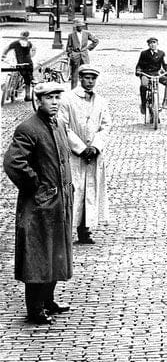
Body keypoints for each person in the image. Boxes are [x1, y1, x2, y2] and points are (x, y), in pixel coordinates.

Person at [3, 82, 74, 324]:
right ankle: (35, 309)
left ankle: (48, 300)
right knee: (38, 256)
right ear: (38, 100)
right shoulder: (28, 128)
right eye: (49, 98)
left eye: (57, 97)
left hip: (59, 203)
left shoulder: (58, 124)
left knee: (56, 252)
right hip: (39, 206)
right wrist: (36, 187)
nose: (54, 102)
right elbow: (14, 163)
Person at [58, 66, 112, 245]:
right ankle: (68, 229)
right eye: (87, 78)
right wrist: (81, 148)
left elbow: (106, 125)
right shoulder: (67, 99)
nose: (90, 82)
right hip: (75, 154)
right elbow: (63, 126)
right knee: (75, 190)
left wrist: (96, 146)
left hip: (94, 154)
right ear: (80, 78)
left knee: (91, 190)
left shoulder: (101, 101)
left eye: (93, 79)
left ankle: (85, 230)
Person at [134, 36, 167, 113]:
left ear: (157, 43)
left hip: (157, 74)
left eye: (154, 42)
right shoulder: (144, 53)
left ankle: (165, 102)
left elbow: (165, 64)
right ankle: (143, 104)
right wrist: (138, 71)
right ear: (148, 45)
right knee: (143, 85)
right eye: (150, 43)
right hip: (146, 74)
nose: (152, 44)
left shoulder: (161, 53)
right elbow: (139, 64)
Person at [3, 30, 36, 102]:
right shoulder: (29, 44)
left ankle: (10, 87)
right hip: (28, 64)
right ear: (27, 37)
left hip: (19, 64)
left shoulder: (15, 43)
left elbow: (6, 48)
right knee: (28, 80)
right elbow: (32, 51)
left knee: (16, 72)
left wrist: (3, 56)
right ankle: (27, 95)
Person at [65, 20, 99, 89]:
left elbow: (96, 41)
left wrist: (88, 48)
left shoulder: (86, 33)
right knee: (74, 74)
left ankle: (86, 88)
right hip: (75, 56)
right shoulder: (71, 35)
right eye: (78, 26)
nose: (80, 27)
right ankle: (73, 90)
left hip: (84, 55)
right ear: (76, 27)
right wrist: (71, 54)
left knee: (86, 71)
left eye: (81, 26)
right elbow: (68, 47)